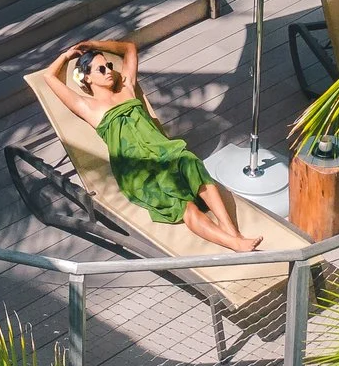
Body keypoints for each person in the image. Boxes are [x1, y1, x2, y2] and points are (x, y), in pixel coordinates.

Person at [47, 39, 260, 252]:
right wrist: (67, 55)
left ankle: (232, 231)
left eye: (109, 66)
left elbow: (129, 48)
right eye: (101, 69)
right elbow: (49, 77)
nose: (109, 71)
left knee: (190, 161)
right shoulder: (87, 107)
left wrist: (96, 44)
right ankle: (233, 243)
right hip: (138, 169)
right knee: (184, 206)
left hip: (163, 152)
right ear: (86, 78)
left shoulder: (126, 87)